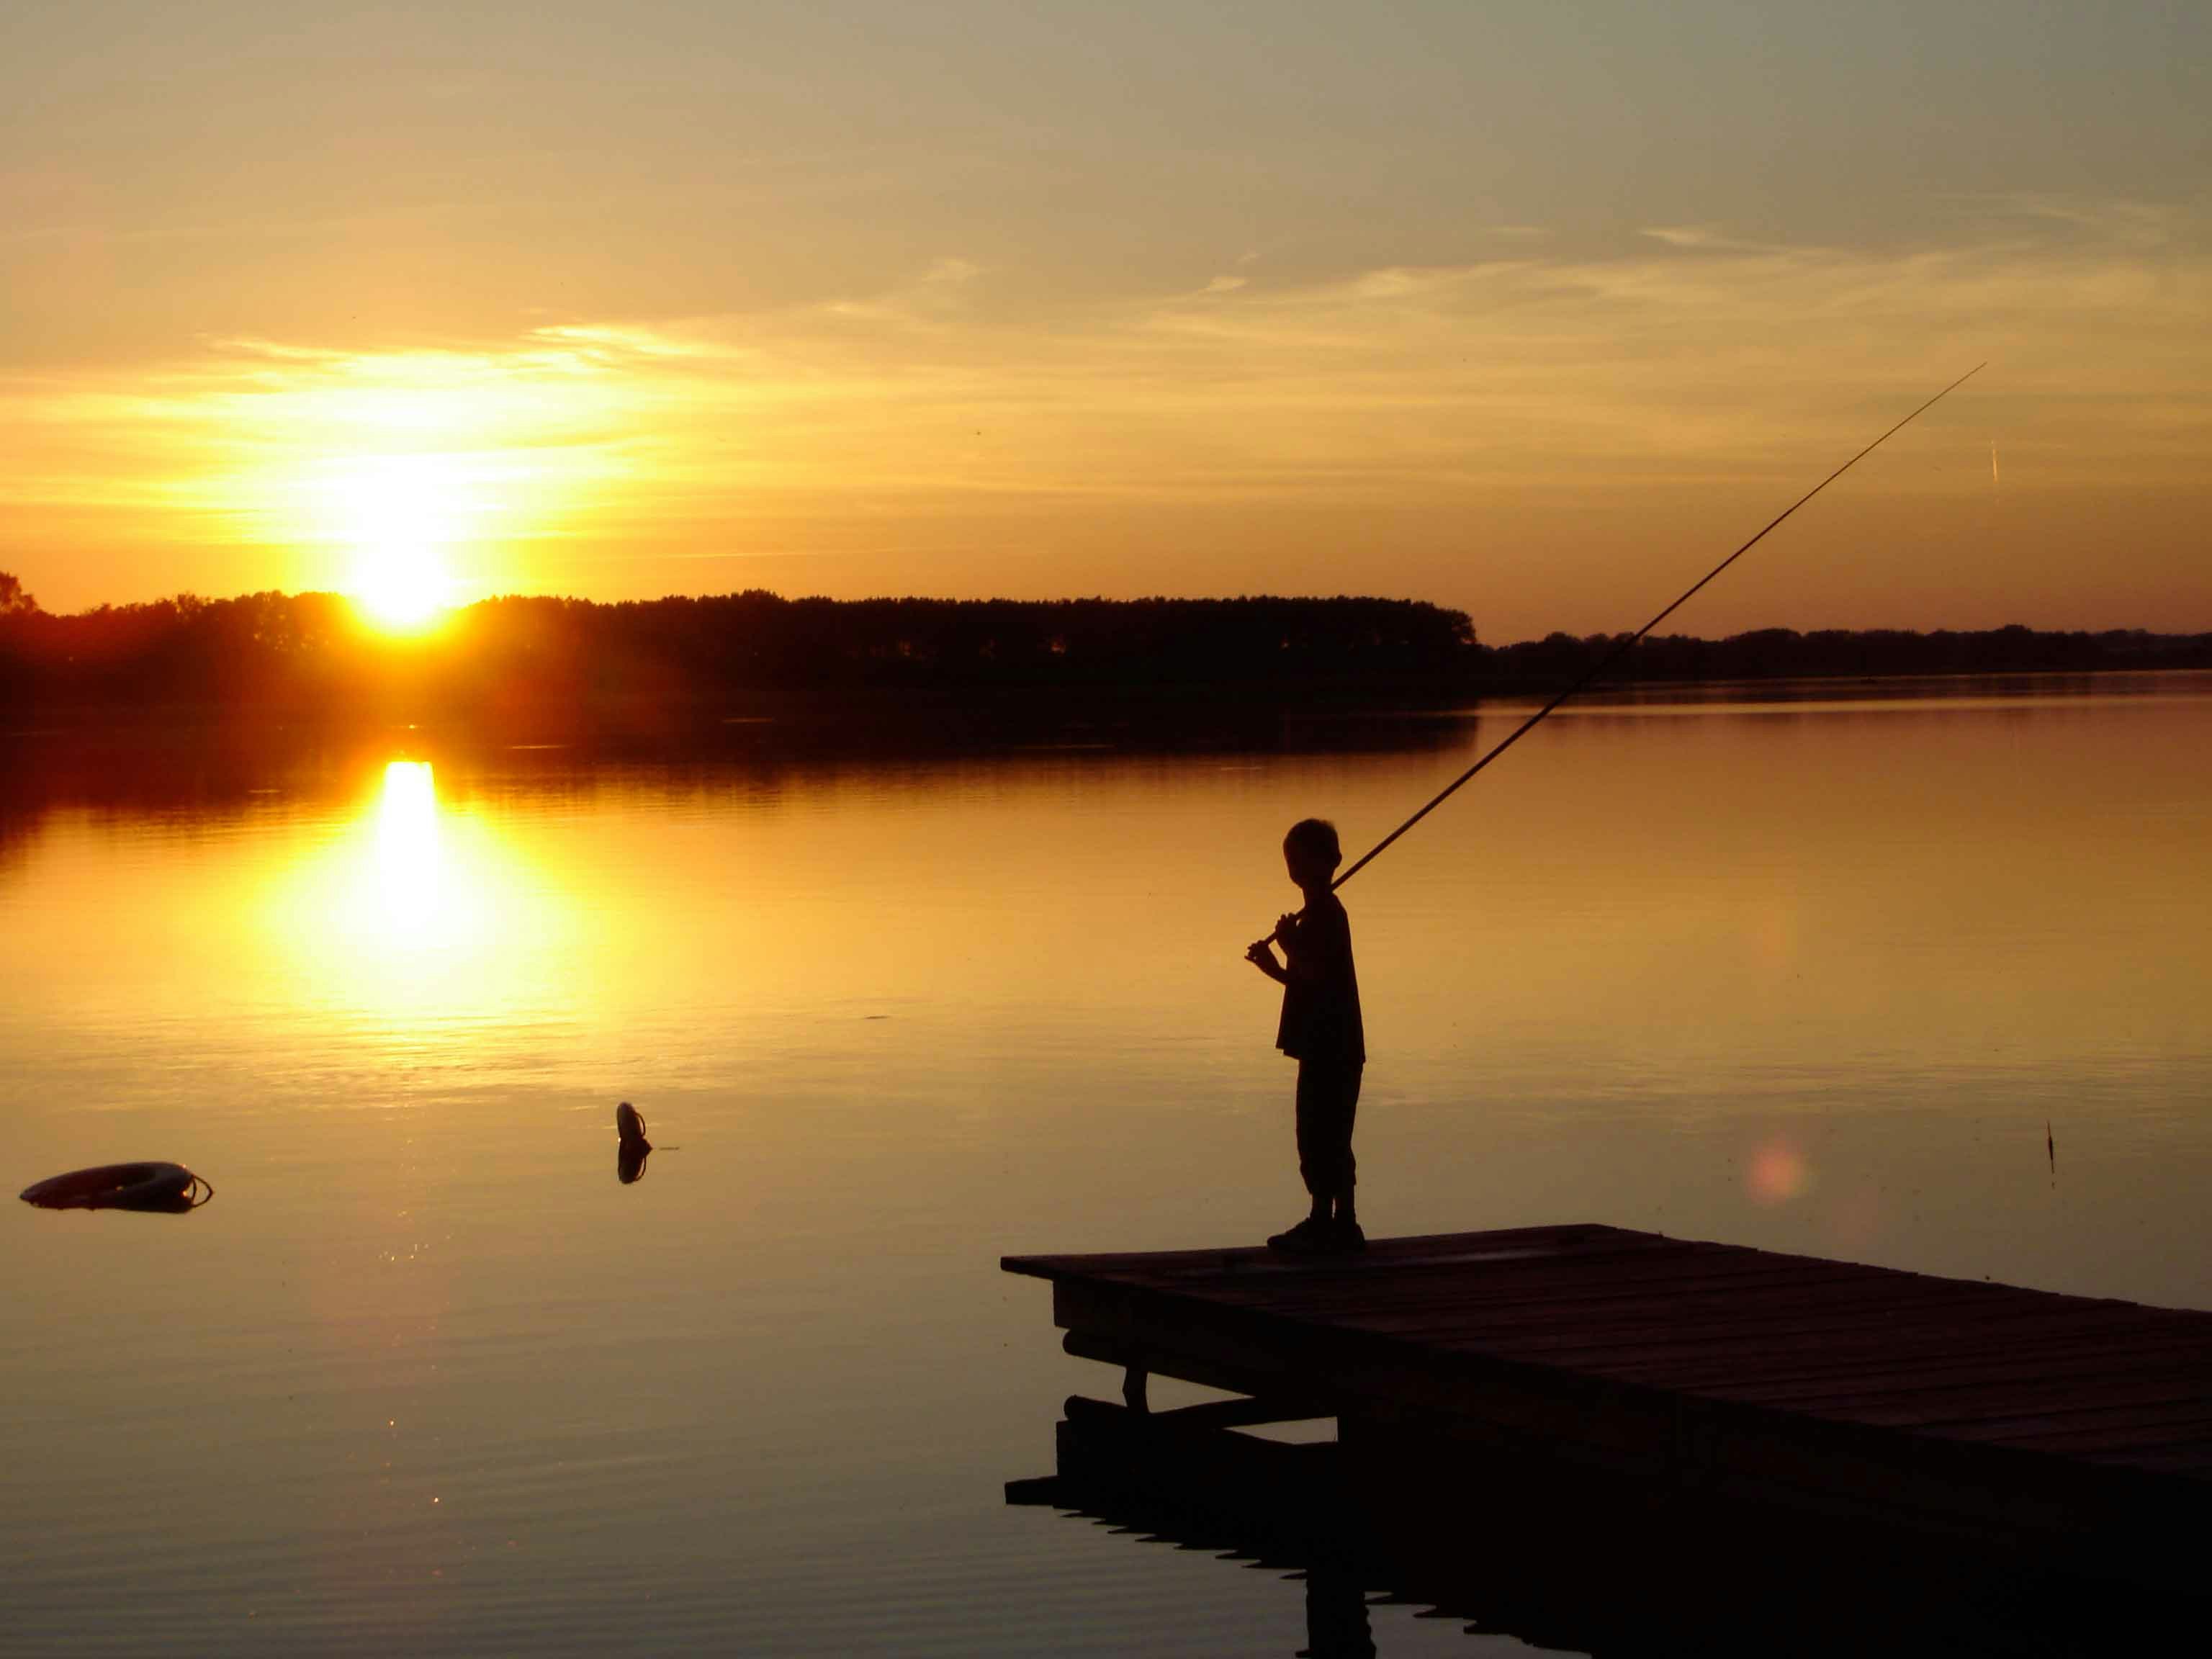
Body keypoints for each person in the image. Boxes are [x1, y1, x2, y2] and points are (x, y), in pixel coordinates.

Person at [1246, 818, 1366, 1253]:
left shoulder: (1329, 915)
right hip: (1319, 1043)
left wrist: (1290, 944)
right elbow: (1305, 983)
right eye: (1291, 860)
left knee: (1329, 1134)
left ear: (1330, 862)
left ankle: (1339, 1223)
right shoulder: (1314, 917)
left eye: (1301, 858)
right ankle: (1327, 1220)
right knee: (1316, 1133)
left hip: (1334, 1045)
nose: (1295, 867)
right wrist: (1274, 965)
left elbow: (1318, 974)